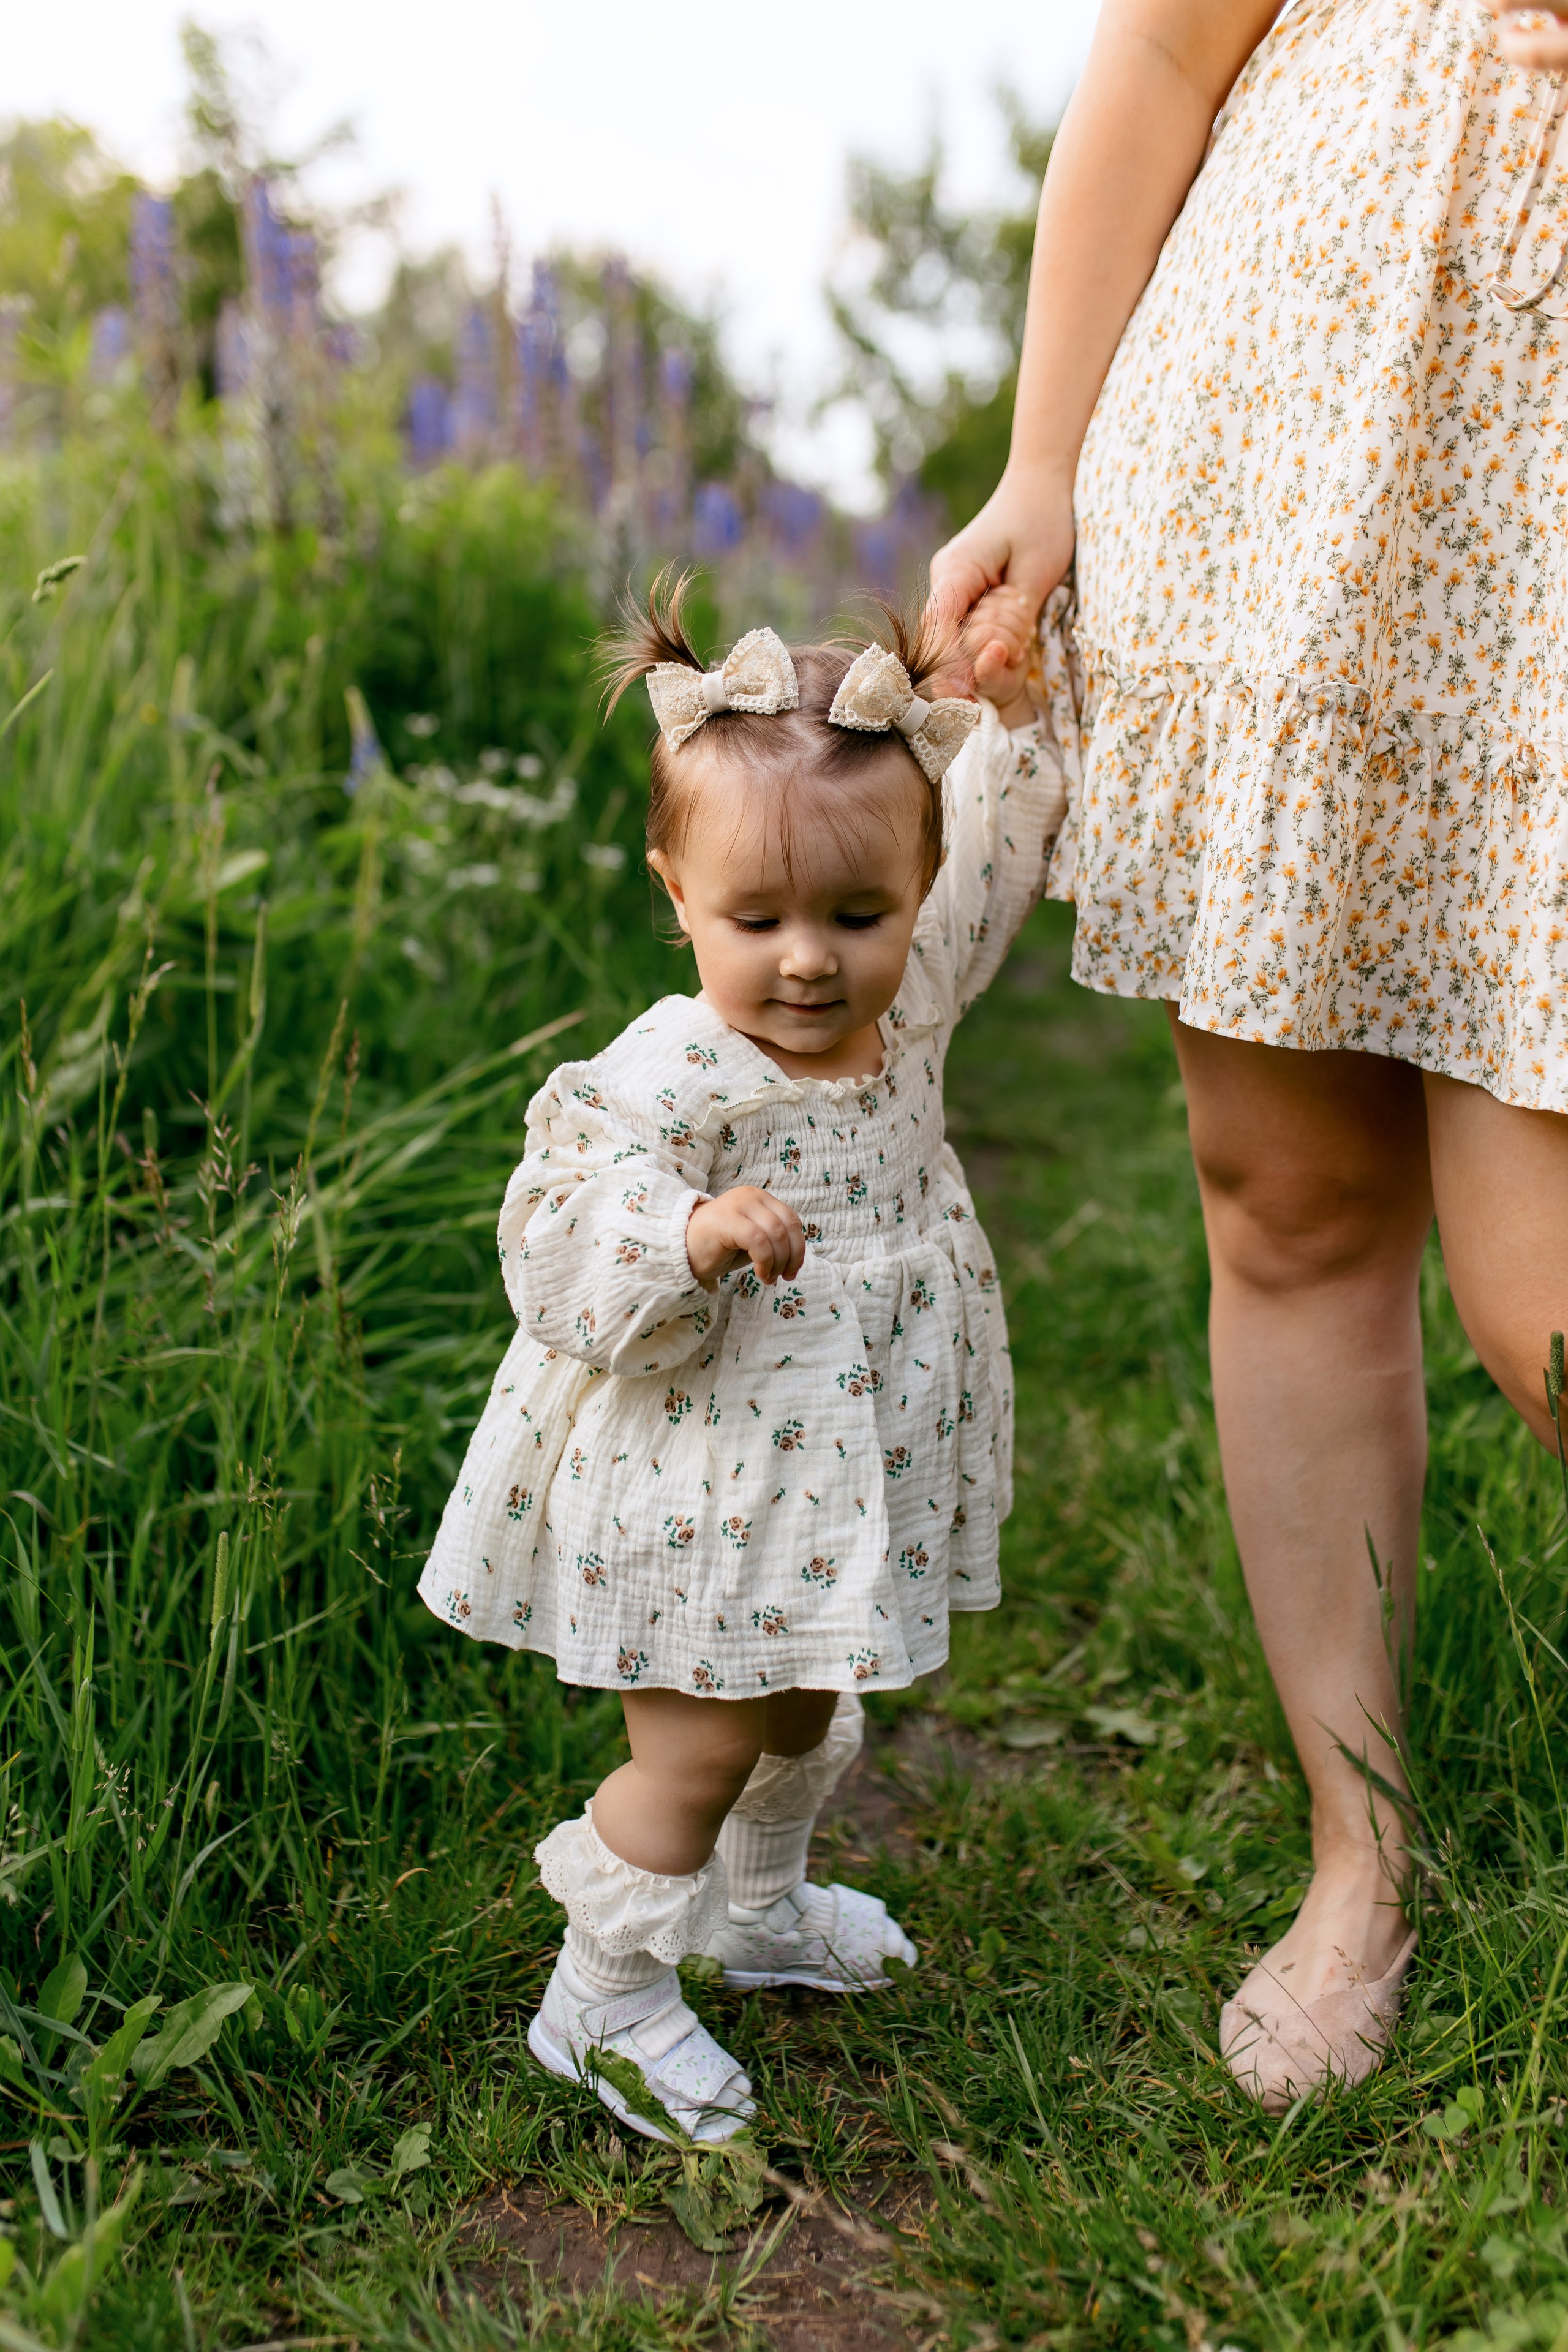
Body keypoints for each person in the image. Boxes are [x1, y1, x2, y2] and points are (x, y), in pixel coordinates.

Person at [933, 0, 1568, 2111]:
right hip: (1287, 493)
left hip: (1542, 544)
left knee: (1545, 1310)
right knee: (1290, 1203)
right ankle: (1356, 1859)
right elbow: (1158, 67)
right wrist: (1044, 464)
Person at [417, 576, 1068, 2143]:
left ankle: (753, 1912)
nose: (806, 962)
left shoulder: (904, 1013)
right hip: (697, 1474)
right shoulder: (674, 1066)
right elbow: (555, 1217)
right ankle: (603, 2001)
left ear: (910, 896)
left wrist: (1017, 726)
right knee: (699, 1741)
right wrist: (686, 1226)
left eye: (856, 916)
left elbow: (981, 853)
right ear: (675, 889)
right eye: (754, 918)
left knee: (797, 1705)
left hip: (832, 1474)